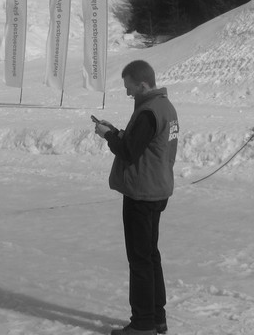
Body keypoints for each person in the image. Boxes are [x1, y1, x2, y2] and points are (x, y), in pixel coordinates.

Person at [94, 60, 179, 335]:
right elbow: (142, 143)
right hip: (156, 188)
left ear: (142, 84)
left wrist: (108, 136)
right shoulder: (165, 107)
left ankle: (143, 324)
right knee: (151, 256)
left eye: (129, 88)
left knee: (140, 259)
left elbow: (129, 151)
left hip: (143, 192)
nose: (128, 93)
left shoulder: (148, 112)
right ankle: (156, 318)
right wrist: (117, 131)